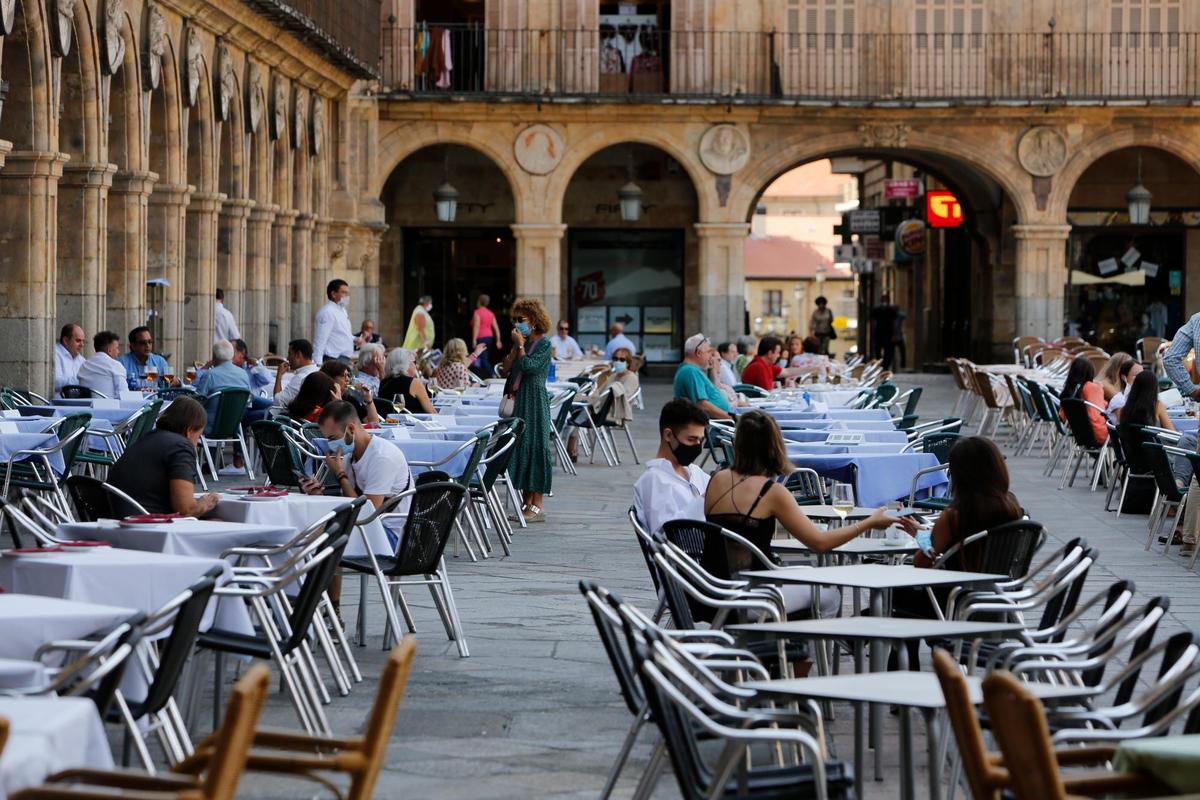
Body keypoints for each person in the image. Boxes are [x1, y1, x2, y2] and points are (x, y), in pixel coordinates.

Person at [704, 411, 916, 617]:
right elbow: (819, 543)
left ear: (738, 443)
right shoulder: (771, 492)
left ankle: (781, 644)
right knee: (830, 596)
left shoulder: (716, 479)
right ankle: (795, 649)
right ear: (776, 445)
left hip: (710, 588)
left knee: (800, 579)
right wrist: (869, 523)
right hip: (755, 594)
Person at [890, 436, 1023, 666]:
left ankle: (902, 675)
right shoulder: (1012, 508)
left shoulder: (954, 515)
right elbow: (969, 539)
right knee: (902, 604)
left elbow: (922, 562)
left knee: (898, 599)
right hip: (995, 600)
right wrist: (924, 532)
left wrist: (924, 538)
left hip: (953, 603)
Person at [109, 396, 220, 517]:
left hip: (115, 517)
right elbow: (186, 509)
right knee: (221, 524)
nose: (196, 443)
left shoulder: (146, 439)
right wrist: (204, 503)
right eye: (198, 436)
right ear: (189, 431)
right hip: (146, 523)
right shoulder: (181, 446)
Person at [302, 400, 412, 515]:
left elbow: (367, 514)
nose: (330, 444)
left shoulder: (382, 457)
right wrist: (319, 495)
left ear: (351, 429)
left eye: (333, 438)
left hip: (388, 527)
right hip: (363, 526)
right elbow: (350, 503)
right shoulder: (350, 456)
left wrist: (340, 474)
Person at [501, 297, 554, 522]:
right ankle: (525, 500)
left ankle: (538, 503)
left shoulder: (543, 344)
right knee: (523, 445)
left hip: (535, 401)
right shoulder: (520, 342)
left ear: (533, 320)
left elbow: (530, 367)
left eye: (521, 319)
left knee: (536, 445)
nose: (517, 323)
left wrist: (521, 347)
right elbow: (506, 369)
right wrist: (515, 349)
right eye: (515, 319)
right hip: (521, 399)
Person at [632, 399, 711, 537]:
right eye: (691, 439)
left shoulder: (694, 471)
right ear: (668, 435)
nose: (697, 446)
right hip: (690, 555)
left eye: (701, 440)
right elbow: (665, 534)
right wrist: (704, 500)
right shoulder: (654, 479)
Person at [567, 346, 640, 461]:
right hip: (601, 409)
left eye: (622, 360)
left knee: (574, 413)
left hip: (613, 414)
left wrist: (592, 399)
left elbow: (623, 400)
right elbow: (600, 392)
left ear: (628, 362)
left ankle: (571, 445)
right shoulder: (614, 376)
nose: (618, 362)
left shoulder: (631, 378)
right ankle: (571, 444)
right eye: (615, 359)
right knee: (574, 406)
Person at [673, 333, 731, 420]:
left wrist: (711, 369)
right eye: (708, 352)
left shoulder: (691, 370)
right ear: (698, 353)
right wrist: (730, 417)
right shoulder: (690, 371)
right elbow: (702, 405)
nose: (710, 357)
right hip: (711, 425)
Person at [1059, 355, 1108, 443]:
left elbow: (1062, 415)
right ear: (1090, 372)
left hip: (1078, 432)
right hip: (1098, 434)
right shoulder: (1092, 387)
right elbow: (1096, 416)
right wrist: (1099, 390)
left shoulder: (1070, 389)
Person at [380, 348, 438, 414]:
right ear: (406, 364)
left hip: (389, 422)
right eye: (414, 362)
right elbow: (432, 412)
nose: (416, 365)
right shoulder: (414, 383)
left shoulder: (383, 382)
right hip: (414, 423)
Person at [740, 337, 806, 391]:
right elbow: (768, 392)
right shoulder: (759, 366)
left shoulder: (766, 364)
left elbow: (786, 372)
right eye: (778, 352)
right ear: (770, 353)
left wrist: (812, 369)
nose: (779, 355)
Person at [313, 279, 354, 364]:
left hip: (344, 358)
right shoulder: (327, 312)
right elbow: (321, 339)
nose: (347, 296)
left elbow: (341, 333)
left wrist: (356, 339)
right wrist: (318, 363)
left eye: (347, 293)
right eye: (343, 292)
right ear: (333, 294)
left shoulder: (342, 310)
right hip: (333, 359)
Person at [77, 331, 127, 398]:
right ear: (109, 350)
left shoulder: (84, 365)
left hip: (85, 407)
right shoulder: (115, 365)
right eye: (117, 348)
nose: (118, 351)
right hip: (109, 407)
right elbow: (123, 394)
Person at [272, 338, 319, 409]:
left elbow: (277, 401)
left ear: (298, 355)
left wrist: (279, 375)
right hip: (293, 413)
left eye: (289, 353)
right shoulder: (316, 370)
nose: (287, 358)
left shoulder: (301, 377)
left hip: (282, 416)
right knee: (256, 401)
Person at [470, 294, 502, 378]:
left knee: (482, 358)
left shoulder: (477, 312)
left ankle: (493, 374)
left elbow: (476, 326)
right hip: (489, 338)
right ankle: (477, 376)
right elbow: (496, 328)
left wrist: (474, 339)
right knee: (480, 358)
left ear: (479, 302)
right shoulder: (491, 313)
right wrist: (498, 340)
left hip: (480, 337)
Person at [54, 323, 86, 396]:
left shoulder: (81, 360)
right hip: (58, 404)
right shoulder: (55, 354)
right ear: (65, 340)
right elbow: (56, 382)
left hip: (78, 403)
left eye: (83, 341)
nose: (82, 345)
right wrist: (82, 380)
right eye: (78, 341)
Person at [870, 293, 898, 370]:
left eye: (886, 300)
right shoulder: (877, 310)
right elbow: (873, 321)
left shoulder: (892, 310)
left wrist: (894, 334)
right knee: (878, 351)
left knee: (888, 352)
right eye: (883, 300)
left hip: (888, 334)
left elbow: (895, 322)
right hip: (879, 333)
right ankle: (880, 366)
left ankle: (885, 367)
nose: (885, 302)